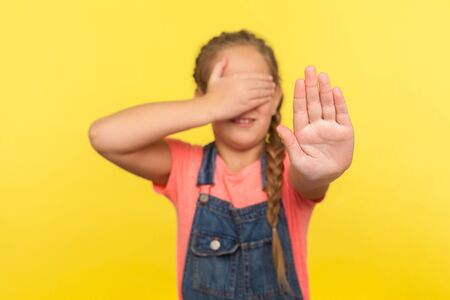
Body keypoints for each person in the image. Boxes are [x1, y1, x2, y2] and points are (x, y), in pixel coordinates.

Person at [89, 29, 354, 300]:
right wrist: (210, 106)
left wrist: (321, 169)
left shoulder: (291, 169)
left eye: (256, 91)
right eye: (229, 92)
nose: (242, 104)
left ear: (276, 99)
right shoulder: (187, 167)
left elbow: (309, 179)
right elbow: (104, 136)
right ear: (203, 97)